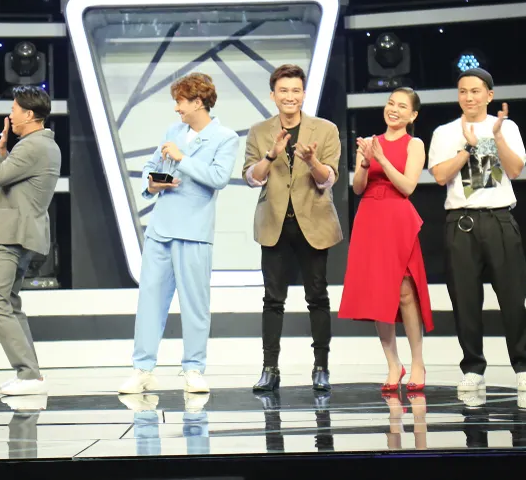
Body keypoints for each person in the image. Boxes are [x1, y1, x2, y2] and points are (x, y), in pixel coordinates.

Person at [118, 73, 240, 395]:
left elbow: (218, 178)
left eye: (181, 102)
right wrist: (155, 182)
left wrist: (182, 159)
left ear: (198, 102)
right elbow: (150, 167)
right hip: (161, 229)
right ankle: (143, 369)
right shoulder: (173, 132)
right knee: (150, 302)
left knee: (195, 305)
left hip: (194, 232)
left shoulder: (225, 137)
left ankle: (194, 369)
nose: (177, 108)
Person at [428, 68, 526, 392]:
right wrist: (468, 148)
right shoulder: (445, 132)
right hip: (461, 223)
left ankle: (524, 367)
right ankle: (473, 368)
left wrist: (496, 137)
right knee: (465, 300)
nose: (469, 97)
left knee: (513, 297)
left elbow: (514, 170)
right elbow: (439, 176)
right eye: (463, 91)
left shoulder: (507, 127)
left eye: (475, 91)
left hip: (499, 219)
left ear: (489, 95)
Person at [243, 64, 342, 392]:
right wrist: (270, 155)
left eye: (295, 90)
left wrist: (312, 161)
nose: (290, 96)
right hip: (274, 223)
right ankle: (269, 369)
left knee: (317, 296)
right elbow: (251, 177)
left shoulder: (325, 129)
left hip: (313, 222)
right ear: (273, 95)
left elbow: (328, 179)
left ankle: (321, 367)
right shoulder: (259, 131)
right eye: (283, 91)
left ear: (303, 94)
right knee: (273, 299)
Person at [339, 87, 433, 392]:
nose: (394, 109)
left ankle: (417, 362)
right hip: (370, 217)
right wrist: (366, 163)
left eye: (402, 106)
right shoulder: (369, 143)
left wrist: (381, 158)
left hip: (397, 218)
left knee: (405, 292)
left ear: (413, 115)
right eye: (391, 103)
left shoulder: (414, 144)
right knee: (379, 294)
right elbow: (357, 188)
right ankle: (393, 364)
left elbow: (407, 186)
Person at [0, 86, 61, 397]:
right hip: (23, 234)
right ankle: (30, 374)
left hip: (10, 235)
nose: (10, 116)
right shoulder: (44, 145)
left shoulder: (32, 146)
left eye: (14, 110)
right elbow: (16, 180)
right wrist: (2, 154)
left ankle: (28, 373)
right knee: (9, 302)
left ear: (28, 114)